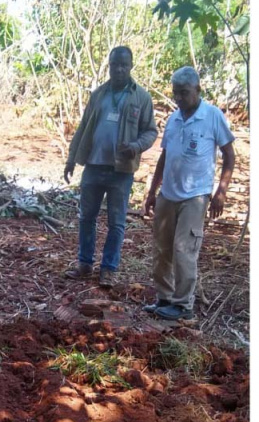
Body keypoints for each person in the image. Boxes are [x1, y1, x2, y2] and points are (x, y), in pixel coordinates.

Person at [143, 66, 235, 321]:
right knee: (162, 249)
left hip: (195, 196)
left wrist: (221, 192)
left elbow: (229, 155)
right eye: (175, 93)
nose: (179, 98)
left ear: (198, 90)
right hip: (168, 194)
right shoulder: (173, 119)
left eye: (184, 92)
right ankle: (164, 298)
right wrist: (152, 192)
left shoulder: (212, 116)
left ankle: (183, 306)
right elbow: (165, 156)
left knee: (184, 249)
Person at [63, 46, 158, 288]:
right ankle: (85, 264)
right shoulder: (98, 94)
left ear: (131, 66)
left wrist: (136, 146)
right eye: (115, 65)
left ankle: (108, 269)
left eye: (124, 65)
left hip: (121, 171)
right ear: (109, 66)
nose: (119, 70)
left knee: (116, 223)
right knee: (87, 217)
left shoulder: (141, 97)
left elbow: (150, 131)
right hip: (93, 166)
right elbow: (83, 126)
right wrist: (71, 159)